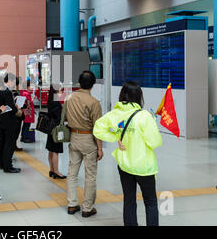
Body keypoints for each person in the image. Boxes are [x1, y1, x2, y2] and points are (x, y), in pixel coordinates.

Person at [93, 81, 162, 226]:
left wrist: (115, 137)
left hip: (125, 165)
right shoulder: (144, 116)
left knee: (129, 200)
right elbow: (155, 142)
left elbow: (98, 128)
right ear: (138, 97)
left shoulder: (114, 114)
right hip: (144, 168)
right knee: (150, 203)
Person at [65, 71, 103, 218]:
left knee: (72, 173)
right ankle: (87, 207)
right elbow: (97, 128)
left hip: (74, 137)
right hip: (88, 140)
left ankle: (71, 204)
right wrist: (99, 147)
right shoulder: (94, 102)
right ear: (93, 85)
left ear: (79, 83)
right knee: (90, 175)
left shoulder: (69, 98)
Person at [0, 73, 21, 173]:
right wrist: (17, 110)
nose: (14, 85)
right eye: (14, 83)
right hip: (9, 121)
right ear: (10, 81)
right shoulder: (7, 92)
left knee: (1, 142)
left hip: (1, 121)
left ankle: (2, 164)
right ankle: (8, 166)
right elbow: (11, 108)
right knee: (9, 144)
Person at [46, 85, 65, 179]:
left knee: (51, 149)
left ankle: (52, 169)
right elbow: (59, 116)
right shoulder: (56, 102)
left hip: (50, 127)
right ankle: (56, 171)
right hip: (57, 128)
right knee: (55, 150)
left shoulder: (50, 100)